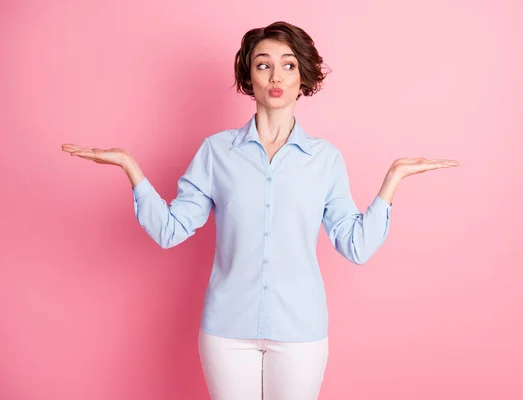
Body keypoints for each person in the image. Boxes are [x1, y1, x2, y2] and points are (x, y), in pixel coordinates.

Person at [62, 21, 459, 400]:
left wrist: (393, 181)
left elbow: (356, 245)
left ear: (303, 77)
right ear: (248, 77)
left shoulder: (325, 159)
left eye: (288, 65)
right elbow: (171, 229)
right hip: (226, 330)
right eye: (263, 65)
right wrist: (131, 169)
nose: (276, 76)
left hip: (300, 330)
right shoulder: (216, 152)